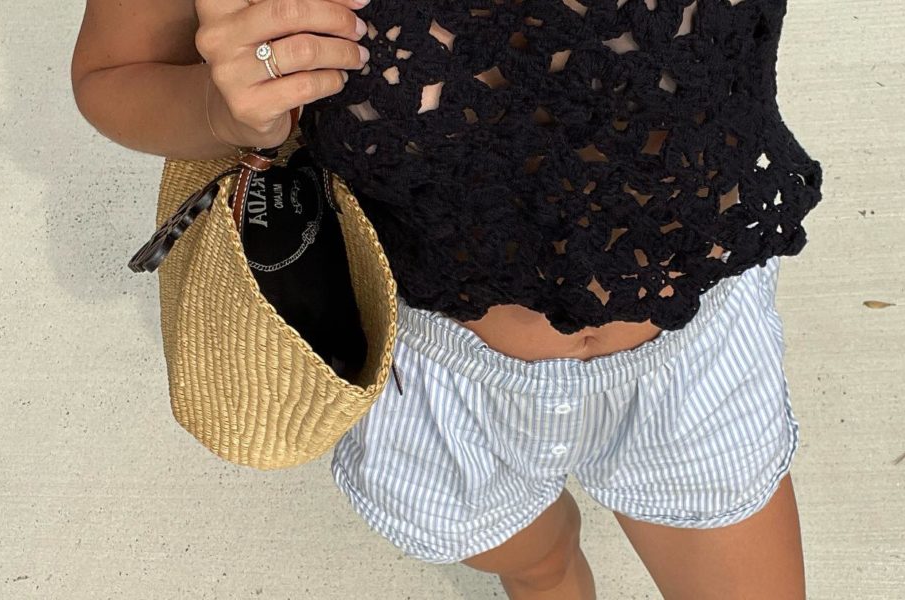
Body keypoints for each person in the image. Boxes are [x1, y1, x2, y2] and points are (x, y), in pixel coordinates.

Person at [72, 0, 818, 597]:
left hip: (694, 362)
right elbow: (114, 72)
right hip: (439, 384)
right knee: (542, 570)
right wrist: (221, 107)